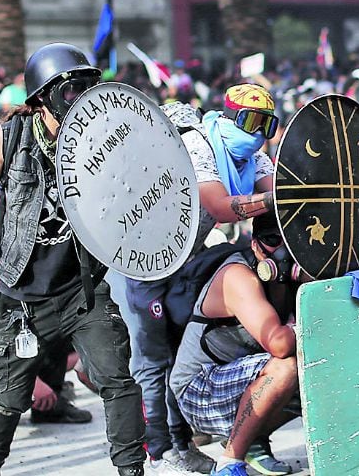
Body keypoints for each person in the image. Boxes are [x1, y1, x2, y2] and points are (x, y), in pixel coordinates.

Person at [0, 43, 146, 476]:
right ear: (42, 97)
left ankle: (132, 471)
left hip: (83, 290)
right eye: (70, 90)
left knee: (117, 381)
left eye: (87, 87)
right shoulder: (8, 137)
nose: (81, 99)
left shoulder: (104, 137)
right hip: (22, 294)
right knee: (5, 397)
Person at [107, 83, 280, 475]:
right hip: (142, 257)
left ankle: (182, 442)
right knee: (153, 358)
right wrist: (278, 198)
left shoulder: (256, 158)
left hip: (185, 257)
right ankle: (159, 449)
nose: (257, 134)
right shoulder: (199, 144)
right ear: (229, 116)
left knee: (179, 343)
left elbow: (276, 193)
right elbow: (221, 206)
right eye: (250, 122)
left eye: (266, 126)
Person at [170, 214, 302, 476]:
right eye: (273, 240)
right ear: (255, 245)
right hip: (198, 389)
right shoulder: (239, 276)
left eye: (290, 239)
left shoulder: (291, 276)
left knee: (321, 368)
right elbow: (279, 345)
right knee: (287, 367)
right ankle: (230, 461)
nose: (282, 250)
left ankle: (253, 438)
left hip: (241, 381)